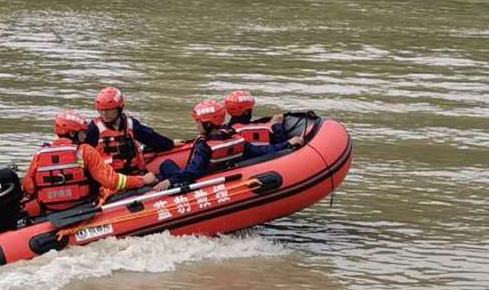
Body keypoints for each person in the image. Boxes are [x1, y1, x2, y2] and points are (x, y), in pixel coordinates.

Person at [154, 100, 302, 190]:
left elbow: (193, 172)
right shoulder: (235, 137)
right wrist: (287, 143)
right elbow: (261, 151)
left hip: (200, 179)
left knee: (166, 164)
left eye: (198, 122)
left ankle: (157, 182)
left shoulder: (205, 146)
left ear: (208, 124)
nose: (196, 126)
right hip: (219, 173)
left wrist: (170, 180)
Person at [23, 110, 158, 209]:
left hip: (50, 209)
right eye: (82, 133)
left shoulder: (39, 155)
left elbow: (29, 186)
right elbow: (112, 181)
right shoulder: (85, 151)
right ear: (72, 133)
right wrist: (142, 180)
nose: (84, 137)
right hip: (83, 205)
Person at [85, 86, 175, 177]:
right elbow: (84, 154)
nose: (104, 114)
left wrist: (170, 143)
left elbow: (151, 137)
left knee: (168, 168)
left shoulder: (131, 124)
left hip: (134, 174)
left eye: (108, 110)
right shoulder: (94, 129)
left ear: (119, 108)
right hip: (111, 179)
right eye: (101, 110)